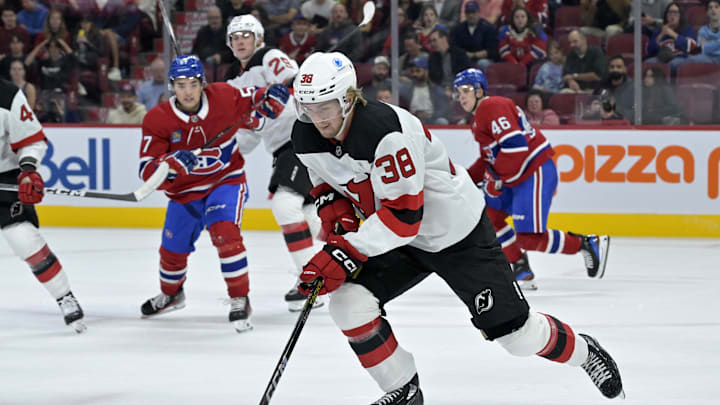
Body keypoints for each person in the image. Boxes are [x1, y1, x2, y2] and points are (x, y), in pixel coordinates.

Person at [291, 52, 624, 404]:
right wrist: (336, 209)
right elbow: (325, 180)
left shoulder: (385, 132)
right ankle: (403, 389)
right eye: (307, 107)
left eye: (324, 107)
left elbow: (404, 219)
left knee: (518, 337)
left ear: (347, 98)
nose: (316, 118)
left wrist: (344, 252)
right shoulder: (307, 133)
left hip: (453, 233)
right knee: (348, 303)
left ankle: (585, 352)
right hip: (395, 235)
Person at [138, 54, 290, 332]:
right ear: (172, 86)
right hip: (183, 193)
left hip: (225, 181)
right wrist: (168, 164)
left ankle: (239, 298)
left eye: (192, 84)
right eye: (180, 85)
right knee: (172, 252)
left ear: (203, 84)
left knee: (225, 235)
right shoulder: (157, 119)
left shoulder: (223, 96)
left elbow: (258, 98)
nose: (187, 91)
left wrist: (274, 96)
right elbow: (146, 171)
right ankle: (172, 295)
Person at [454, 68, 611, 290]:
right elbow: (489, 157)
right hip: (515, 175)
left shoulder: (493, 106)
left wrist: (495, 179)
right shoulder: (479, 119)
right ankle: (520, 267)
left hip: (533, 171)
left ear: (480, 91)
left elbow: (516, 147)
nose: (461, 96)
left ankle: (587, 243)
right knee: (490, 218)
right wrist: (464, 179)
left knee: (529, 238)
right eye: (458, 92)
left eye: (466, 90)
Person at [224, 14, 325, 312]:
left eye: (246, 35)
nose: (241, 41)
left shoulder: (270, 57)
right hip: (284, 148)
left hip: (301, 137)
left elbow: (298, 84)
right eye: (235, 37)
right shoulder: (235, 84)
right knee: (310, 213)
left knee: (285, 204)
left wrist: (285, 92)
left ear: (258, 38)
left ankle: (313, 282)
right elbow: (247, 136)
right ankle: (351, 264)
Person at [0, 78, 86, 333]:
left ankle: (64, 296)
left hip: (5, 176)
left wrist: (27, 171)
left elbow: (32, 140)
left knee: (24, 239)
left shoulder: (7, 95)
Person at [646, 2, 698, 71]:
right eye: (670, 12)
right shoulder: (659, 30)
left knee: (673, 64)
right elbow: (649, 51)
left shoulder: (688, 29)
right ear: (666, 15)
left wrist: (673, 34)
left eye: (675, 12)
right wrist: (661, 35)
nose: (672, 15)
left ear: (680, 15)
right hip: (661, 58)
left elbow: (692, 47)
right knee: (648, 63)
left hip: (680, 58)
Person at [451, 1, 499, 70]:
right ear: (465, 14)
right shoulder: (459, 28)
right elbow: (454, 46)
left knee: (482, 63)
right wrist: (464, 54)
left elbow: (493, 50)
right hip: (464, 58)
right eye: (468, 13)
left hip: (484, 59)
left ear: (479, 13)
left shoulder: (488, 27)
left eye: (473, 12)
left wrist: (475, 55)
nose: (471, 15)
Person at [596, 55, 633, 121]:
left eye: (619, 67)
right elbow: (591, 103)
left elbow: (636, 113)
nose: (615, 69)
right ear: (608, 69)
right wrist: (595, 107)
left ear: (625, 69)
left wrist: (614, 110)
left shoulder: (632, 87)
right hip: (603, 124)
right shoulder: (601, 84)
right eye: (612, 67)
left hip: (625, 126)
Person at [687, 0, 720, 64]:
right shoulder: (702, 30)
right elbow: (702, 48)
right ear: (707, 12)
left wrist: (708, 44)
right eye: (710, 7)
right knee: (689, 60)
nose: (713, 9)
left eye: (716, 7)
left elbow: (705, 46)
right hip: (707, 58)